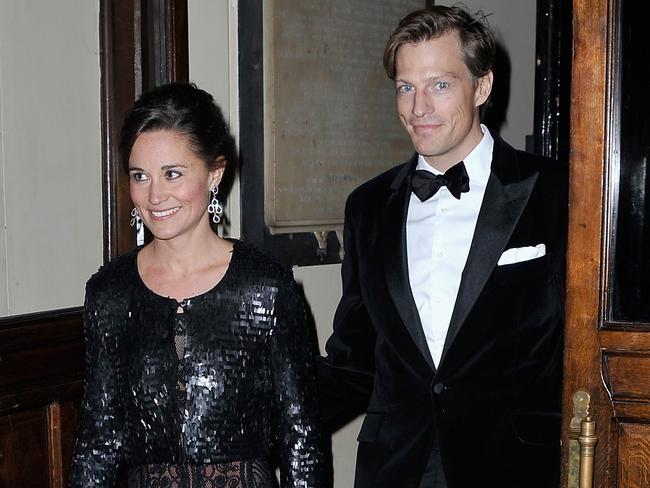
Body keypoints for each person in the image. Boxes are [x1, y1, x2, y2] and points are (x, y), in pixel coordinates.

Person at [318, 6, 567, 488]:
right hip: (396, 469)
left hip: (513, 467)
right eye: (406, 88)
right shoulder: (367, 207)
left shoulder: (558, 194)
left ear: (482, 87)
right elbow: (353, 362)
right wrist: (259, 423)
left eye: (439, 85)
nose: (418, 108)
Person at [70, 82, 323, 488]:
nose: (154, 195)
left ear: (215, 173)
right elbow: (99, 438)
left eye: (172, 173)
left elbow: (302, 440)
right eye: (140, 175)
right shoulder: (110, 293)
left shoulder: (265, 288)